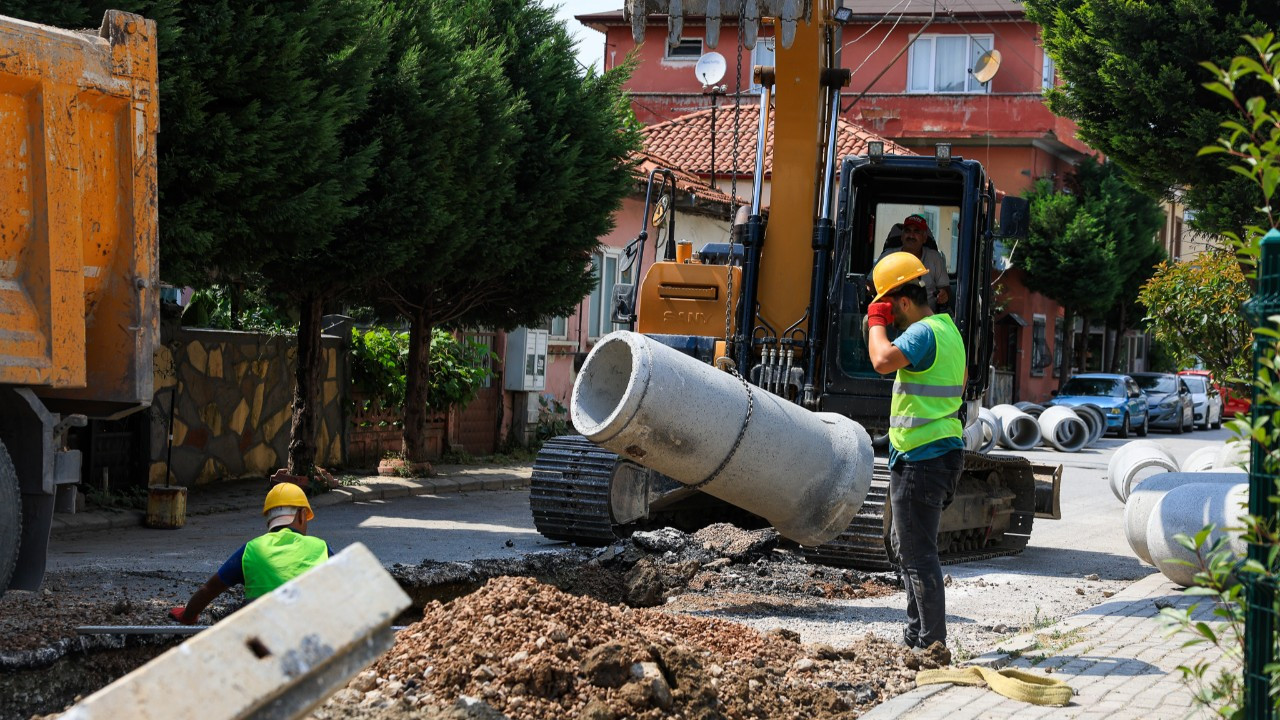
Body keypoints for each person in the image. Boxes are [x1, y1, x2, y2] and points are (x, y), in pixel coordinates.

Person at [865, 251, 965, 654]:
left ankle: (932, 644)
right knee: (910, 549)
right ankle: (915, 636)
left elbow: (881, 360)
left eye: (891, 309)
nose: (892, 319)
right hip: (939, 452)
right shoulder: (948, 330)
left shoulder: (922, 333)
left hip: (922, 458)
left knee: (919, 554)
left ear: (902, 302)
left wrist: (875, 321)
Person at [169, 483, 331, 624]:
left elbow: (209, 589)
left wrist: (187, 615)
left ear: (269, 519)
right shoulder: (320, 547)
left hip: (262, 636)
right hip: (311, 631)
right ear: (302, 515)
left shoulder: (251, 550)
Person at [880, 214, 950, 310]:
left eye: (916, 231)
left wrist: (944, 294)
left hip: (926, 320)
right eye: (907, 231)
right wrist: (867, 289)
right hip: (893, 317)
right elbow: (870, 284)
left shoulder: (934, 258)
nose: (911, 235)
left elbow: (945, 287)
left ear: (924, 238)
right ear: (902, 236)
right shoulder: (887, 256)